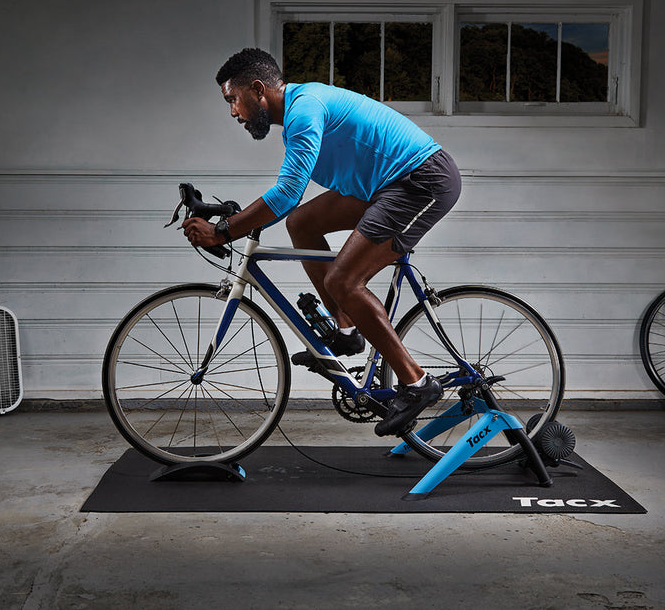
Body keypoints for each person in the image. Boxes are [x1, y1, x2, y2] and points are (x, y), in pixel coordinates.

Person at [182, 47, 461, 437]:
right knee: (303, 223)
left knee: (343, 281)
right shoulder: (298, 113)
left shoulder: (304, 110)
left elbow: (287, 191)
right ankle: (346, 331)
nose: (233, 112)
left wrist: (225, 230)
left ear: (258, 89)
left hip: (421, 181)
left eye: (233, 99)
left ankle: (417, 383)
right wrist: (232, 220)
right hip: (385, 186)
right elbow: (288, 205)